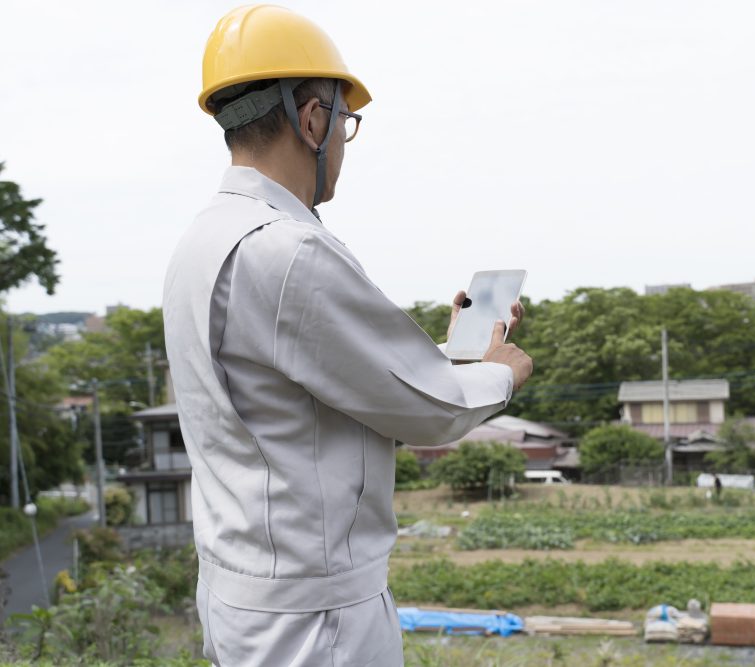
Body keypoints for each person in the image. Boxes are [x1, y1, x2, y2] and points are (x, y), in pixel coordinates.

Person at [162, 6, 533, 666]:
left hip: (245, 597)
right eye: (344, 122)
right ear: (312, 120)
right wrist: (499, 369)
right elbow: (429, 410)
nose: (341, 143)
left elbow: (312, 388)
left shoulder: (201, 242)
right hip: (317, 619)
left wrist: (445, 355)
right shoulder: (289, 253)